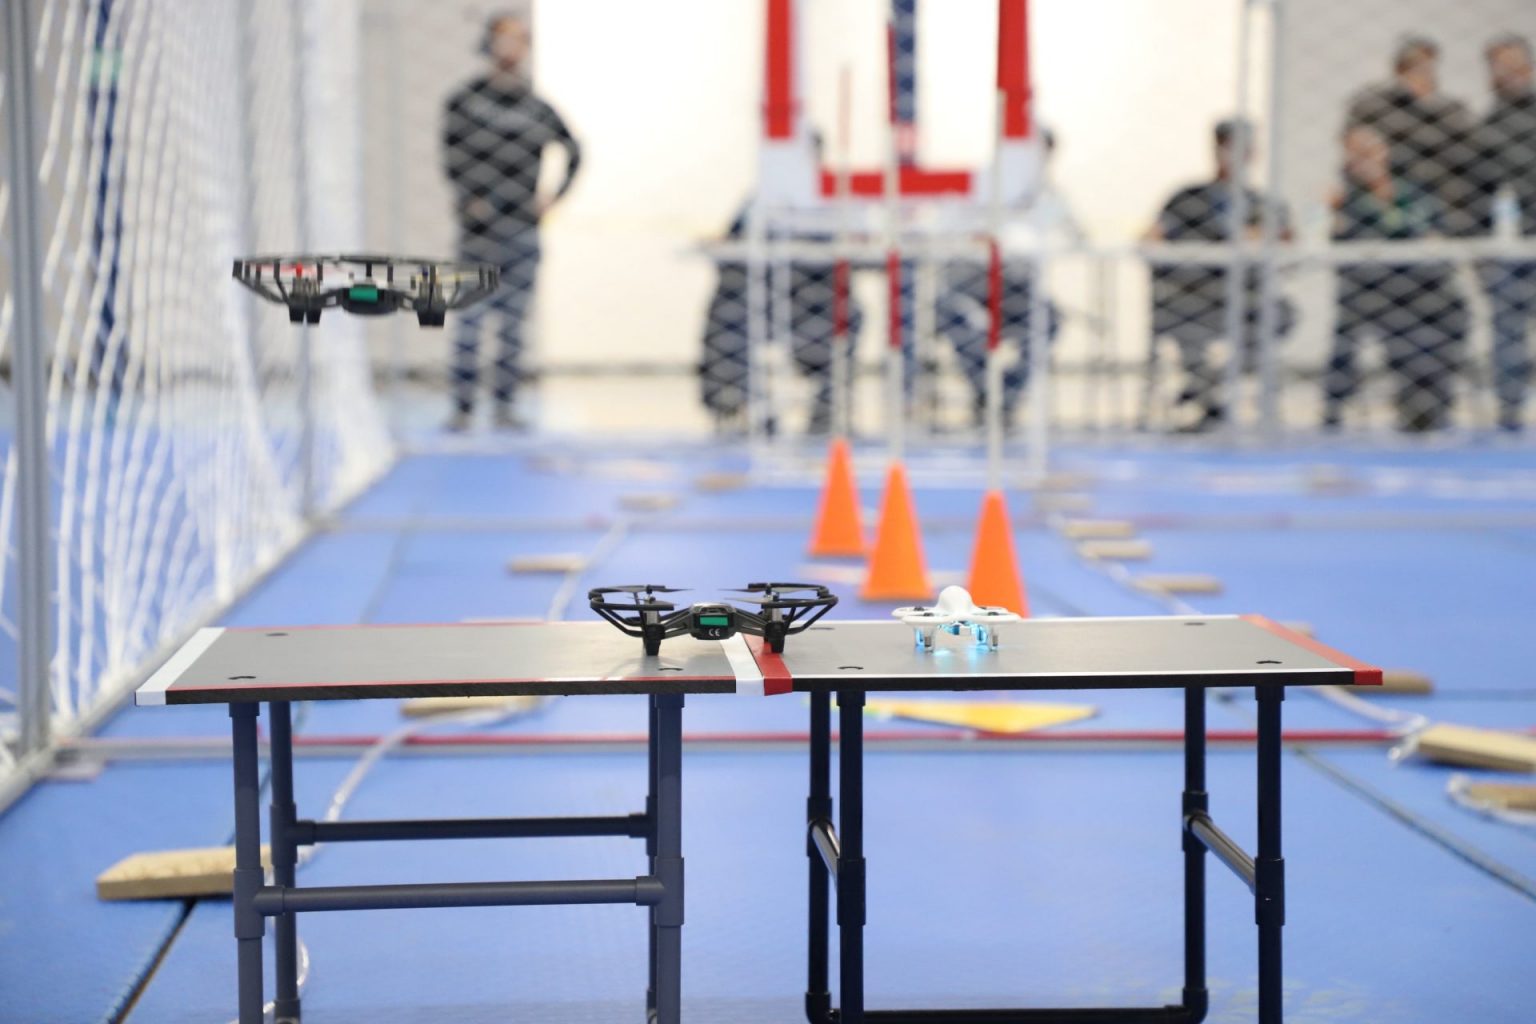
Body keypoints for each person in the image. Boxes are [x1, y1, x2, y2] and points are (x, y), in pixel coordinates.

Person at [441, 12, 581, 431]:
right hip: (478, 234)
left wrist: (553, 197)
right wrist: (469, 199)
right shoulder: (465, 101)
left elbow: (574, 150)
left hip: (522, 227)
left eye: (519, 38)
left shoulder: (535, 107)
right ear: (488, 43)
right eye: (504, 37)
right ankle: (463, 408)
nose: (511, 46)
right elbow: (450, 156)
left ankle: (505, 408)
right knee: (469, 320)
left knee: (513, 324)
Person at [1144, 119, 1296, 433]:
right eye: (1227, 148)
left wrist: (1265, 239)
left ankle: (1208, 386)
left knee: (1282, 313)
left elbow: (1287, 247)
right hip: (1191, 294)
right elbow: (1151, 238)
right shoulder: (1187, 198)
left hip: (1246, 298)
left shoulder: (1264, 204)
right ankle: (1208, 397)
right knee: (1180, 317)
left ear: (1253, 154)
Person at [1324, 124, 1468, 432]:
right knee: (1395, 321)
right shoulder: (1346, 200)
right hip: (1373, 290)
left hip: (1423, 285)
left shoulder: (1413, 191)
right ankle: (1409, 404)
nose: (1365, 160)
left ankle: (1433, 402)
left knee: (1453, 311)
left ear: (1384, 152)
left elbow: (1438, 233)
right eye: (1356, 153)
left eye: (1370, 151)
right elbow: (1344, 248)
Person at [936, 128, 1078, 427]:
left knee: (1048, 320)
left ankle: (1004, 396)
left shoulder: (1047, 196)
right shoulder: (978, 183)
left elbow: (1073, 237)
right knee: (955, 317)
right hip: (966, 281)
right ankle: (986, 390)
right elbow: (943, 229)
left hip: (1015, 287)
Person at [698, 200, 865, 435]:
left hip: (815, 309)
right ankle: (742, 405)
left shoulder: (836, 200)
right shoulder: (760, 201)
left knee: (730, 309)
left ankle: (822, 411)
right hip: (762, 307)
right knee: (729, 309)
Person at [1469, 34, 1536, 432]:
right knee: (1507, 331)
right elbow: (1477, 192)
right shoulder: (1486, 128)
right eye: (1500, 65)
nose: (1509, 72)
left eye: (1516, 63)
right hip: (1509, 245)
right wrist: (1480, 246)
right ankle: (1509, 414)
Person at [1345, 36, 1477, 236]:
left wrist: (1426, 103)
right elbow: (1355, 144)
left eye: (1426, 67)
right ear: (1399, 71)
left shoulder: (1450, 110)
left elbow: (1466, 156)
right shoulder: (1375, 106)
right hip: (1391, 202)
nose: (1421, 74)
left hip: (1441, 202)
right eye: (1412, 67)